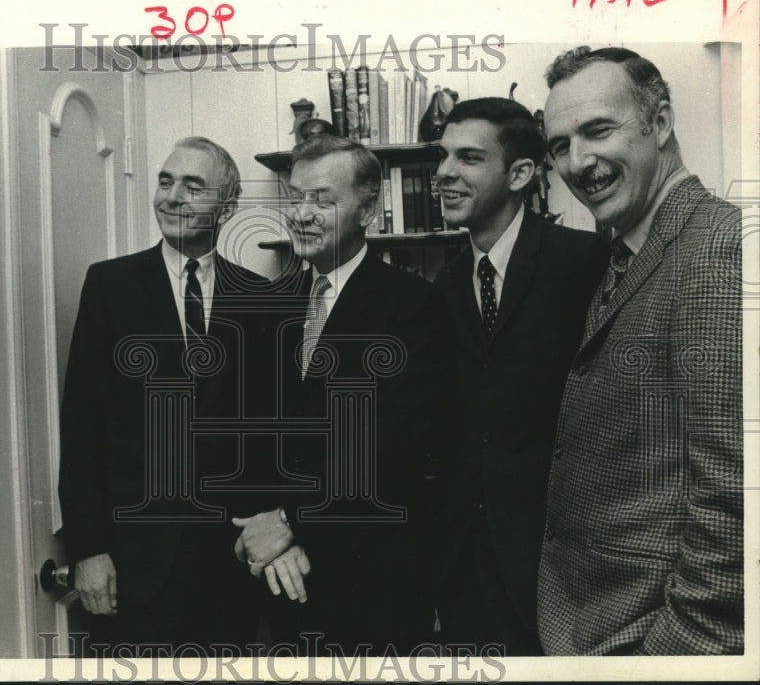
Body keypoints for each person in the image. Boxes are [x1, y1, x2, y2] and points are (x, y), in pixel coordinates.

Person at [537, 46, 743, 654]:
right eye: (559, 145)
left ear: (661, 121)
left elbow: (734, 504)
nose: (579, 162)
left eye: (599, 130)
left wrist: (666, 657)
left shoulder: (716, 248)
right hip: (591, 630)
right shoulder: (627, 251)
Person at [232, 133, 456, 656]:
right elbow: (250, 431)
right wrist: (269, 533)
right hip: (286, 581)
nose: (303, 214)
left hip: (376, 584)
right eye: (296, 198)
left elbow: (399, 447)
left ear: (370, 209)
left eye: (323, 200)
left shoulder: (414, 306)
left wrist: (289, 523)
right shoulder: (272, 303)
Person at [57, 136, 268, 652]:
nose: (171, 196)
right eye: (165, 180)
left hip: (232, 564)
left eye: (193, 186)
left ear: (229, 205)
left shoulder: (261, 297)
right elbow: (82, 425)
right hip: (134, 562)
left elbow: (269, 436)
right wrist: (89, 549)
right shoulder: (110, 285)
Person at [431, 97, 609, 655]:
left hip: (566, 567)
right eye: (443, 157)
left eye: (468, 158)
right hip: (467, 573)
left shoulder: (585, 262)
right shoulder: (446, 282)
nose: (444, 173)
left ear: (521, 174)